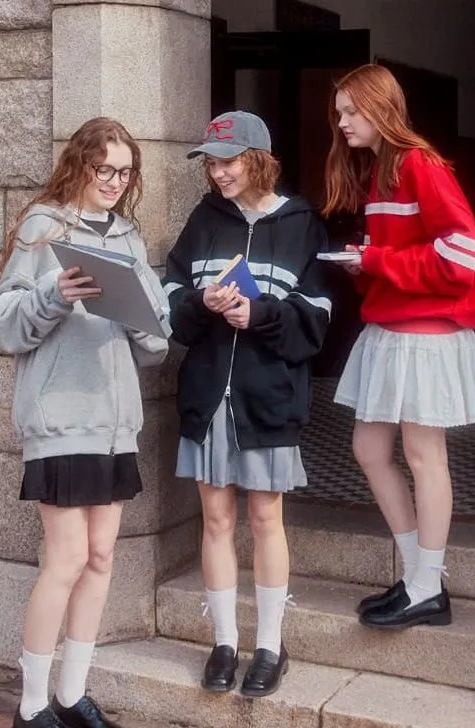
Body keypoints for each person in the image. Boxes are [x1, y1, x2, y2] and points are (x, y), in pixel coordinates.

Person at [0, 117, 169, 728]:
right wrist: (54, 293)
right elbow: (4, 323)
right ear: (80, 165)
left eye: (125, 172)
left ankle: (71, 696)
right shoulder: (44, 227)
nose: (116, 184)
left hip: (114, 423)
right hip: (61, 420)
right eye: (105, 170)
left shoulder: (127, 238)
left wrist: (142, 323)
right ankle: (31, 709)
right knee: (63, 561)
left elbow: (155, 340)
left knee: (99, 559)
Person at [161, 111, 332, 698]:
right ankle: (226, 642)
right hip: (208, 395)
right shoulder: (203, 220)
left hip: (268, 399)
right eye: (210, 161)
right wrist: (201, 303)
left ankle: (270, 645)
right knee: (215, 519)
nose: (217, 172)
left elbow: (319, 322)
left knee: (265, 521)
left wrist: (261, 315)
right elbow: (170, 300)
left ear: (258, 159)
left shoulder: (303, 224)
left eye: (227, 160)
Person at [322, 64, 475, 632]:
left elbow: (464, 255)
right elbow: (418, 255)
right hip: (395, 333)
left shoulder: (418, 163)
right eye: (340, 112)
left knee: (424, 457)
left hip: (424, 338)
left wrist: (373, 261)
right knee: (371, 451)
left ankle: (425, 586)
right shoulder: (383, 171)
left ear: (380, 108)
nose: (342, 122)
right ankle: (421, 578)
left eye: (351, 111)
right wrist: (367, 263)